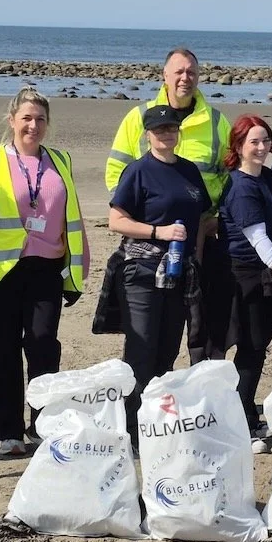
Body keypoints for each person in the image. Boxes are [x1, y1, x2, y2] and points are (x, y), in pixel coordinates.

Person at [0, 88, 90, 456]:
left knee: (44, 347)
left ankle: (41, 424)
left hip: (45, 270)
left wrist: (76, 273)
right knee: (2, 352)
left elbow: (72, 218)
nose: (33, 125)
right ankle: (9, 432)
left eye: (40, 119)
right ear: (12, 120)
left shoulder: (60, 160)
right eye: (26, 118)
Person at [105, 47, 233, 363]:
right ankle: (139, 408)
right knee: (144, 343)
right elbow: (115, 174)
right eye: (178, 71)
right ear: (164, 75)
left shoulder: (217, 122)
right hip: (147, 249)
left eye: (190, 71)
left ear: (199, 76)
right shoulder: (138, 117)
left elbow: (230, 176)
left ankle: (190, 398)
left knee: (197, 333)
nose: (184, 78)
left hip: (201, 243)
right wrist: (148, 221)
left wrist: (214, 219)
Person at [108, 105, 212, 441]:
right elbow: (116, 221)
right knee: (142, 350)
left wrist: (196, 257)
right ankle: (131, 430)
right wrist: (159, 232)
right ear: (148, 134)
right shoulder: (138, 171)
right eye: (160, 129)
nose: (167, 133)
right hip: (142, 271)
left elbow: (201, 221)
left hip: (181, 273)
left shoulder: (189, 172)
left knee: (168, 349)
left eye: (172, 128)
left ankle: (153, 422)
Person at [220, 114, 272, 453]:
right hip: (245, 275)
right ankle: (241, 422)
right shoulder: (240, 187)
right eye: (253, 141)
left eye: (265, 140)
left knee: (257, 347)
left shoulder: (267, 176)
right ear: (238, 146)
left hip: (266, 273)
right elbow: (257, 238)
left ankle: (246, 413)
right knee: (250, 348)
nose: (260, 147)